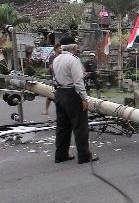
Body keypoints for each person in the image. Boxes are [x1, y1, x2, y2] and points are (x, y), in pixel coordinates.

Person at [52, 36, 98, 164]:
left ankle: (60, 154)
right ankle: (84, 155)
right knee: (80, 126)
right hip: (72, 93)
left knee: (62, 126)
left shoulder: (56, 59)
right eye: (76, 46)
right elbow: (78, 82)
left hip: (60, 92)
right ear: (73, 47)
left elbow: (55, 78)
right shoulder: (73, 60)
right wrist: (84, 98)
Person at [42, 43, 62, 115]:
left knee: (60, 94)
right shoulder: (52, 57)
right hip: (52, 76)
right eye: (60, 48)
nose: (61, 49)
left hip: (59, 77)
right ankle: (46, 109)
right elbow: (51, 66)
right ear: (56, 49)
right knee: (49, 94)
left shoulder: (62, 57)